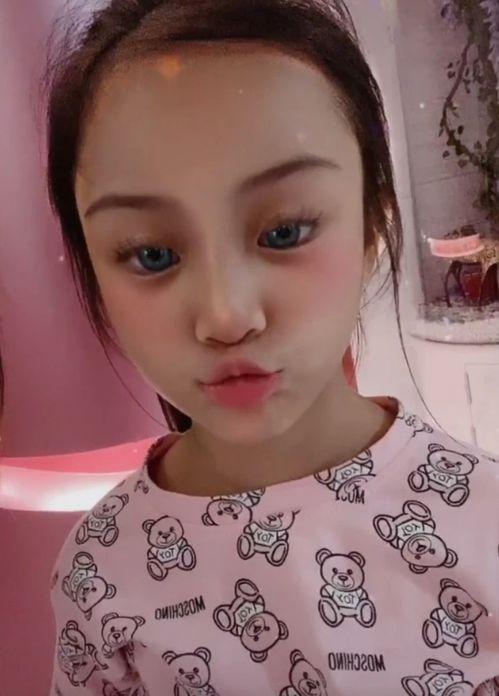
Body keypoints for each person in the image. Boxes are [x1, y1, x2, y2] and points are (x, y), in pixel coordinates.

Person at [43, 0, 499, 693]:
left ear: (371, 224)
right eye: (151, 253)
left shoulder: (481, 521)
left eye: (284, 232)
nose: (226, 316)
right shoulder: (100, 571)